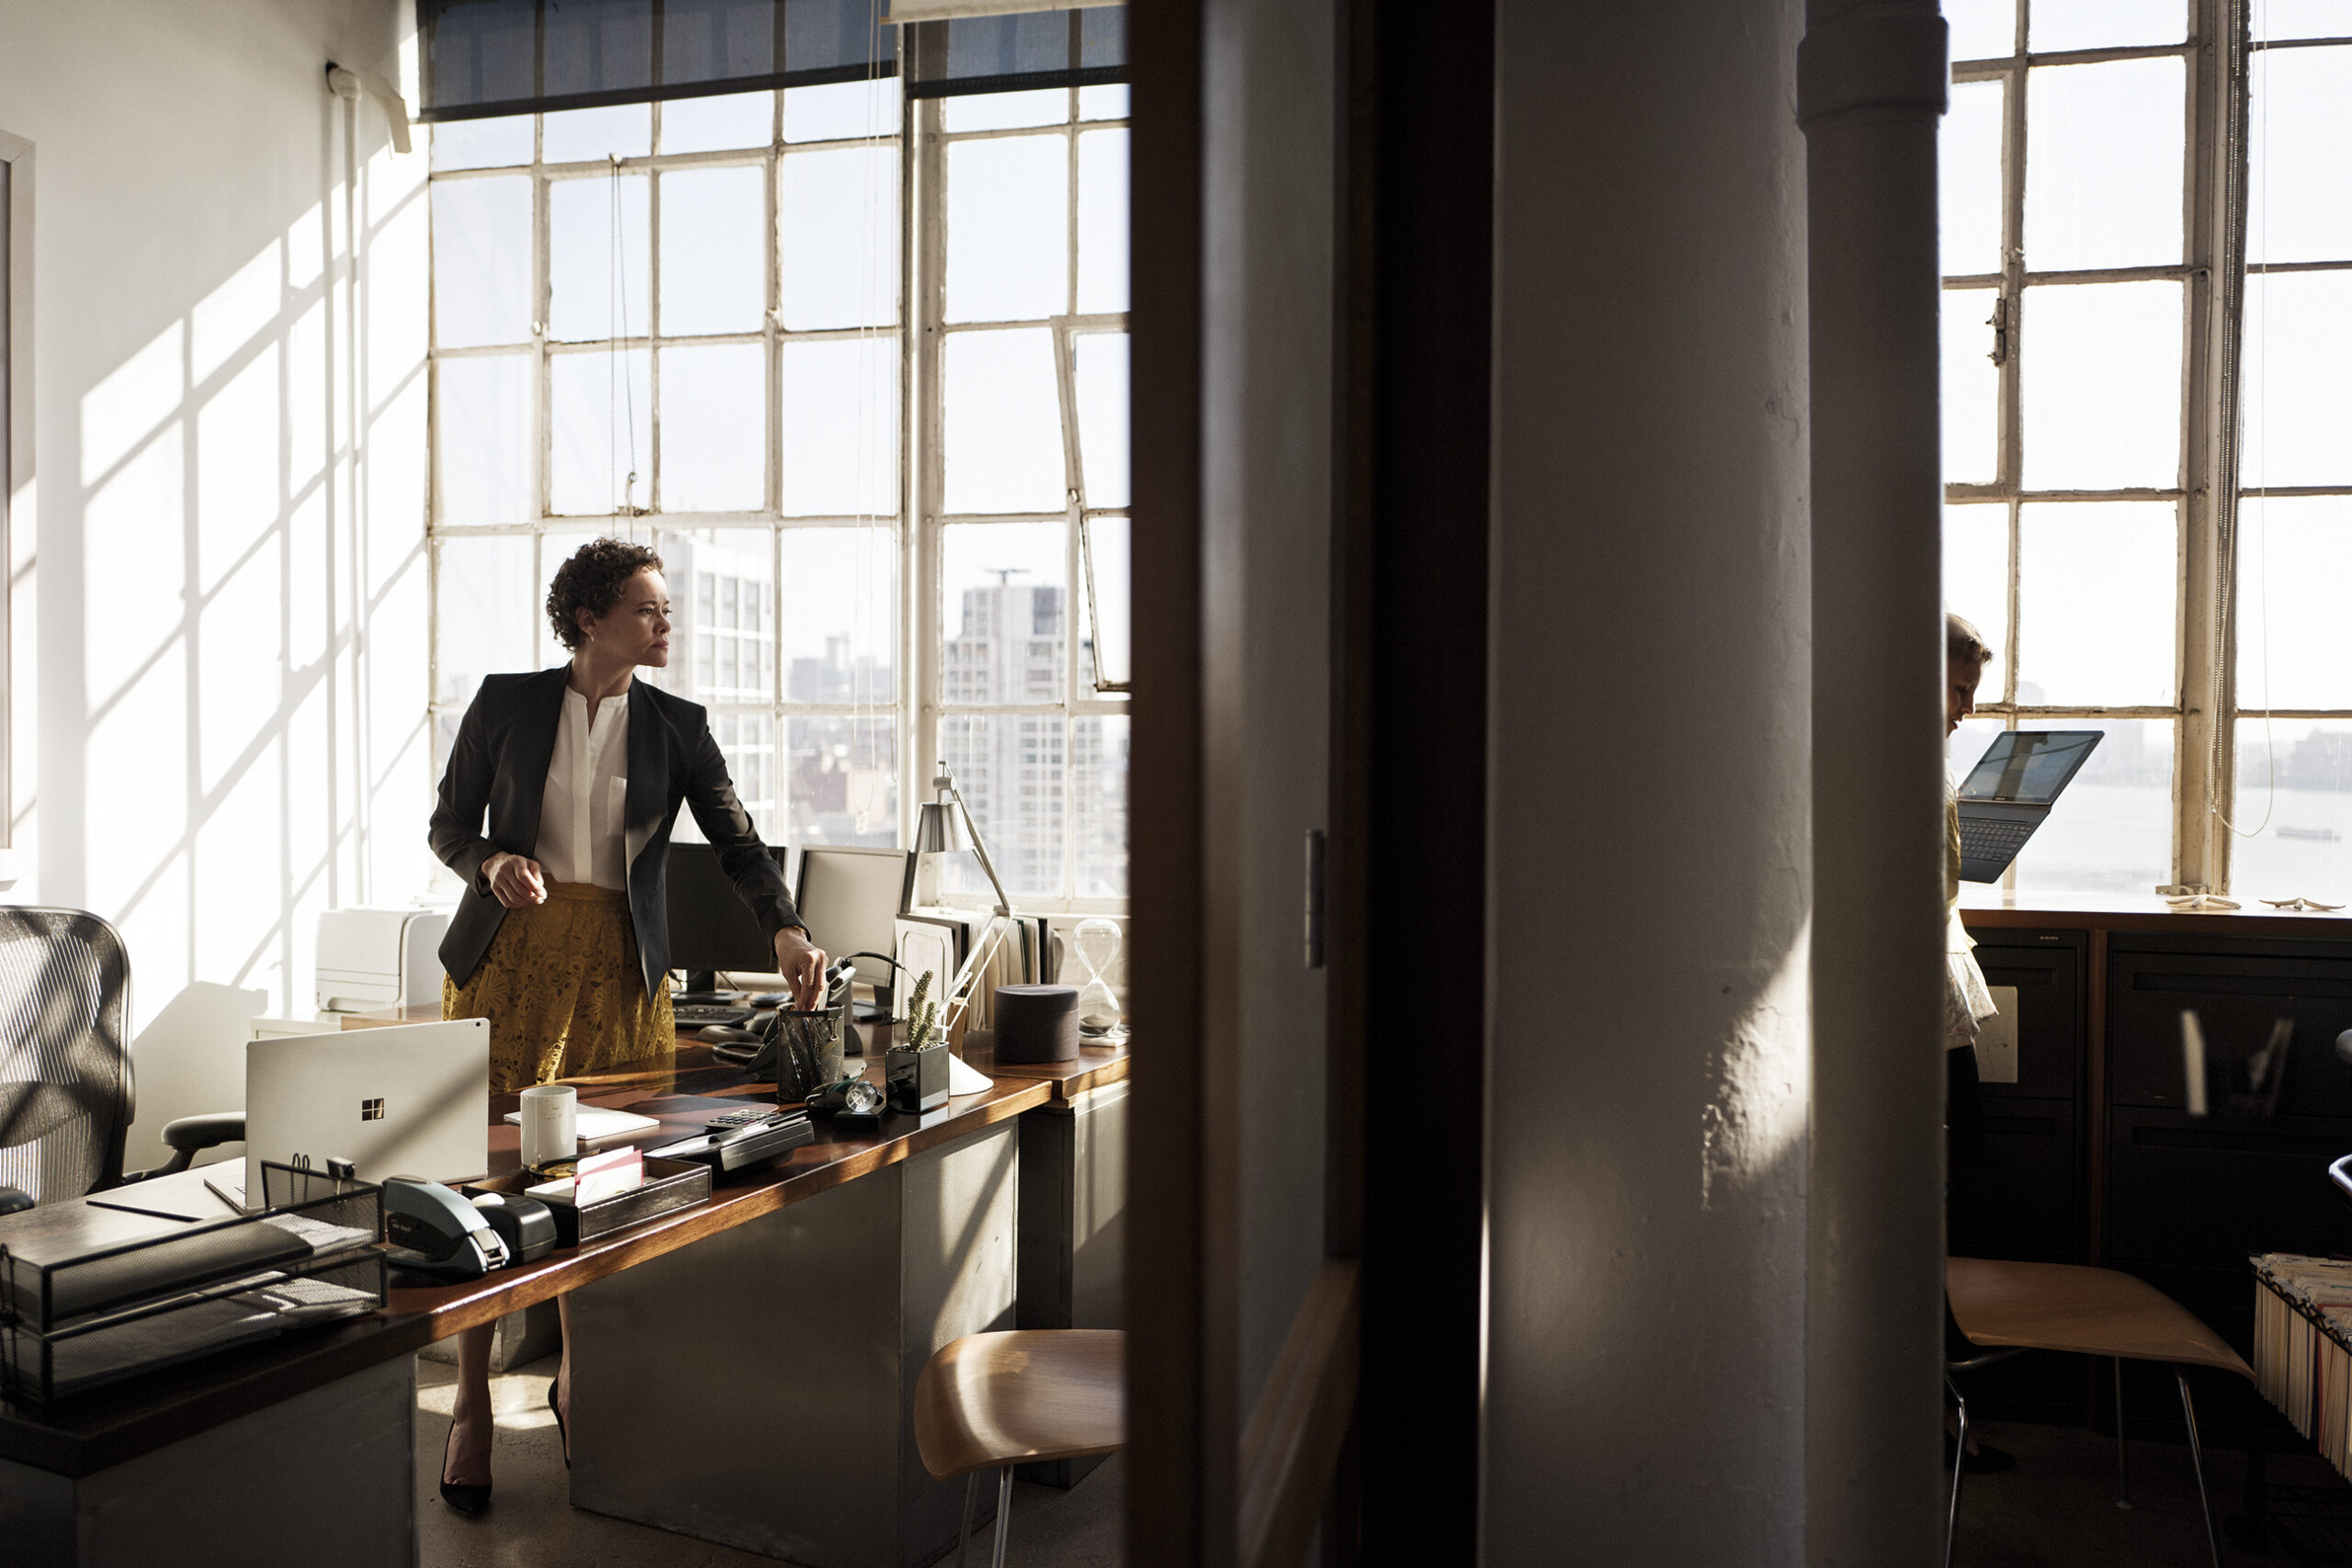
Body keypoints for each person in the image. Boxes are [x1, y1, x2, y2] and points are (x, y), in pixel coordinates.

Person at [426, 536, 828, 1515]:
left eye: (665, 608)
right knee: (495, 1181)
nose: (666, 623)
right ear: (588, 617)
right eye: (649, 607)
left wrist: (785, 927)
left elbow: (736, 838)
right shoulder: (505, 704)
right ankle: (472, 1400)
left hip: (617, 973)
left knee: (597, 1187)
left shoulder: (677, 725)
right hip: (509, 967)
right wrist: (490, 864)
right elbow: (447, 824)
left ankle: (577, 1378)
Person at [1943, 612, 2009, 1473]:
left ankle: (1943, 1384)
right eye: (1959, 691)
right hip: (1924, 994)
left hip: (1938, 986)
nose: (1963, 711)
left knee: (1963, 1175)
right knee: (1956, 1175)